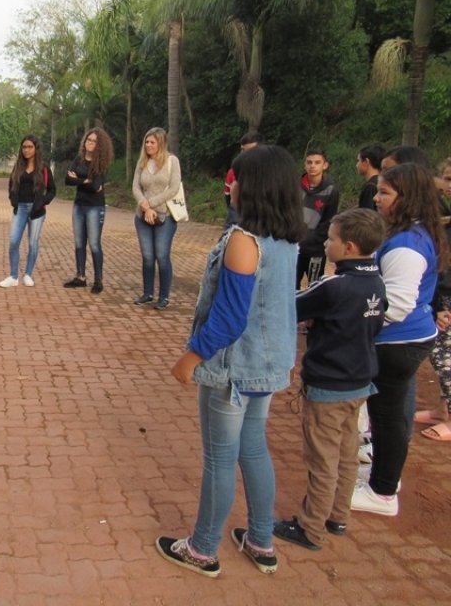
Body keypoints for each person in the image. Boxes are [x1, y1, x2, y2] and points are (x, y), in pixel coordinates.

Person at [156, 145, 306, 579]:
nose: (230, 186)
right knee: (253, 448)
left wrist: (191, 357)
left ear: (253, 187)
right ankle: (261, 540)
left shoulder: (245, 242)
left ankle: (202, 549)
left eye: (236, 179)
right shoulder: (286, 240)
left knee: (220, 459)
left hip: (233, 370)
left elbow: (228, 318)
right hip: (266, 365)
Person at [273, 209, 387, 551]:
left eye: (331, 239)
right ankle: (338, 516)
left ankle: (310, 528)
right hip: (359, 382)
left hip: (329, 385)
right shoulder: (376, 282)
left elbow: (290, 306)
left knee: (322, 459)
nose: (326, 243)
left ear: (349, 247)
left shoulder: (334, 285)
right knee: (347, 453)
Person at [352, 164, 446, 516]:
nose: (376, 198)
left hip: (397, 342)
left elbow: (398, 303)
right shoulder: (409, 234)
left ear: (407, 199)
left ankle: (382, 492)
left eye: (385, 193)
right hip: (400, 340)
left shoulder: (407, 244)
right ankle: (383, 477)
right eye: (378, 191)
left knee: (388, 417)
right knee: (384, 415)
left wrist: (353, 318)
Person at [416, 157, 451, 441]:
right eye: (447, 179)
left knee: (445, 358)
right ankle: (442, 411)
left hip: (448, 298)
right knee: (439, 357)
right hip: (442, 294)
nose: (446, 186)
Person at [132, 127, 183, 309]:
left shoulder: (171, 161)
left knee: (162, 255)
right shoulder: (142, 163)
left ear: (160, 143)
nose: (148, 145)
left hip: (165, 216)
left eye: (152, 142)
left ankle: (164, 296)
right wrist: (145, 207)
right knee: (147, 256)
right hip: (142, 215)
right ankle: (147, 293)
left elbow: (173, 188)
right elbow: (136, 188)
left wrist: (151, 204)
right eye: (146, 142)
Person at [0, 135, 56, 288]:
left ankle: (28, 274)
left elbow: (52, 190)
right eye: (24, 147)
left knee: (33, 243)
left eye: (30, 147)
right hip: (21, 209)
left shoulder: (43, 168)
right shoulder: (18, 166)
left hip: (37, 211)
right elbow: (11, 186)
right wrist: (13, 201)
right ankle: (13, 276)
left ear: (36, 149)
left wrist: (42, 202)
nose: (26, 150)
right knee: (13, 241)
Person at [63, 127, 114, 294]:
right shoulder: (79, 159)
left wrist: (78, 179)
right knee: (79, 243)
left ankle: (98, 280)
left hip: (95, 207)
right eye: (88, 140)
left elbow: (95, 186)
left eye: (94, 141)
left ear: (100, 145)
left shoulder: (101, 163)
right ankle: (80, 277)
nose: (90, 143)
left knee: (94, 244)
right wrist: (85, 180)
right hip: (79, 206)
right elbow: (67, 180)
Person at [297, 148, 340, 288]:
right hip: (293, 246)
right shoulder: (294, 185)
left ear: (325, 165)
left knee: (314, 287)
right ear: (304, 164)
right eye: (309, 162)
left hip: (315, 249)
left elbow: (329, 219)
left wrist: (314, 240)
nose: (312, 166)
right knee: (289, 286)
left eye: (317, 162)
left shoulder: (331, 190)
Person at [224, 131, 261, 227]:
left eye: (251, 151)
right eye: (243, 150)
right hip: (238, 221)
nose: (245, 154)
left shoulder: (272, 173)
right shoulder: (232, 172)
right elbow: (228, 198)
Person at [356, 145, 384, 210]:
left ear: (366, 161)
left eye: (358, 160)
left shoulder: (370, 186)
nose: (357, 165)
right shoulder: (383, 182)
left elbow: (367, 215)